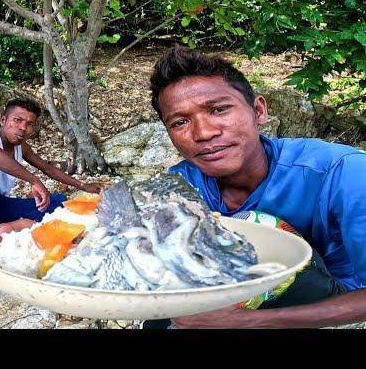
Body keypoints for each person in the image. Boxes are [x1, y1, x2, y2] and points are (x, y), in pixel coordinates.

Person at [145, 45, 366, 329]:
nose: (204, 132)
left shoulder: (343, 172)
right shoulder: (181, 185)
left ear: (258, 110)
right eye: (180, 122)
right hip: (233, 294)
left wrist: (248, 322)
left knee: (257, 227)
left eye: (219, 109)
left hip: (333, 307)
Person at [0, 98, 103, 242]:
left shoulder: (21, 148)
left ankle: (12, 227)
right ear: (4, 120)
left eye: (30, 124)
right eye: (18, 120)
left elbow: (47, 168)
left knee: (58, 201)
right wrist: (33, 180)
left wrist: (83, 186)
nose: (23, 127)